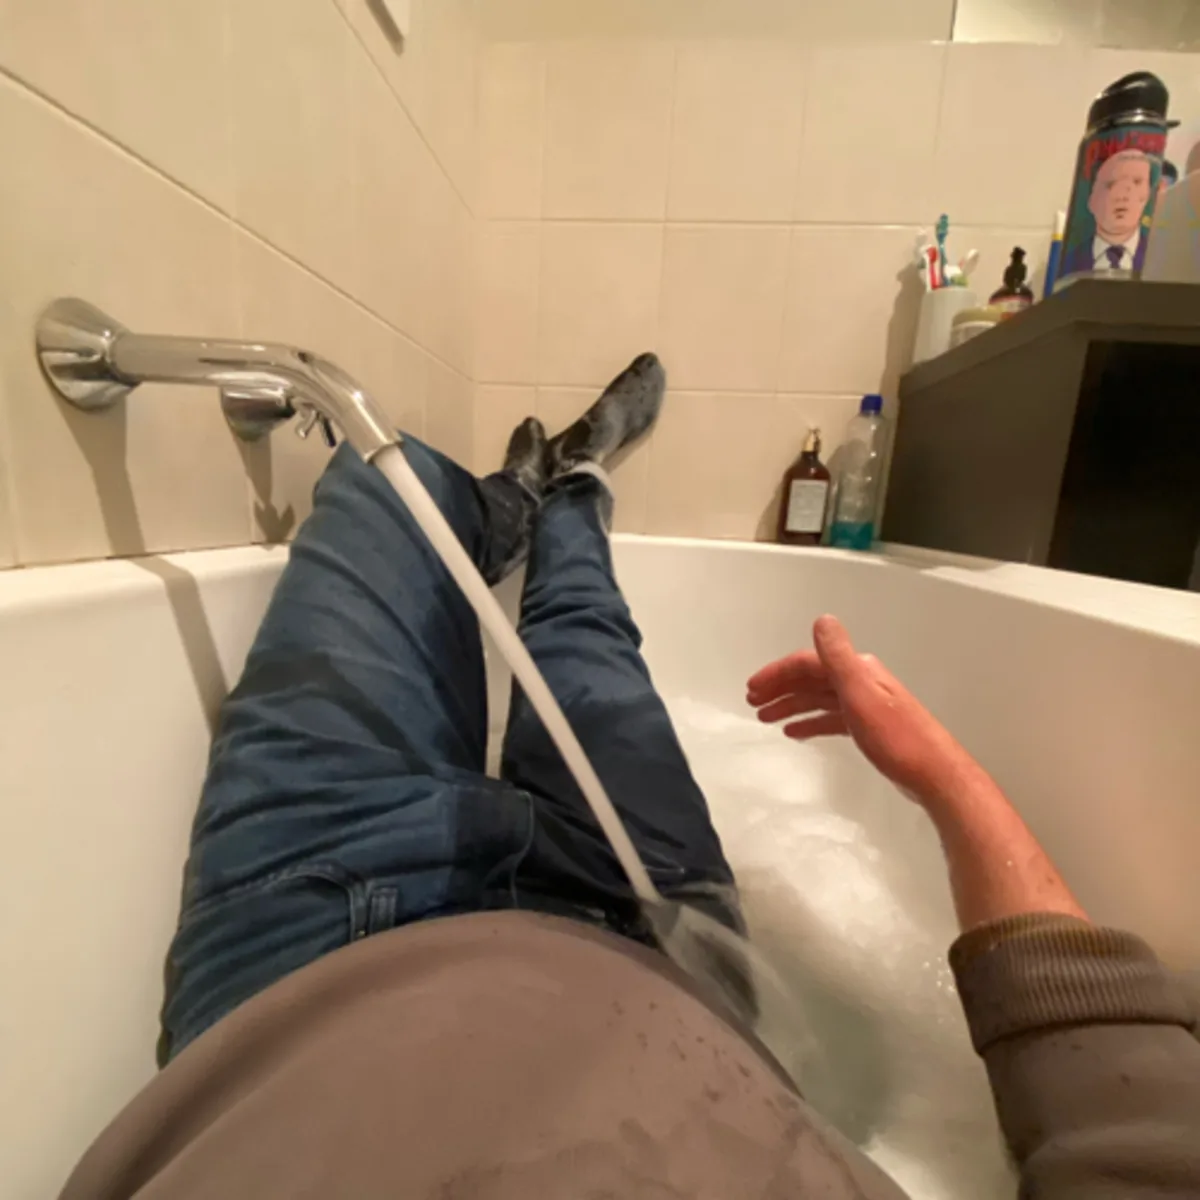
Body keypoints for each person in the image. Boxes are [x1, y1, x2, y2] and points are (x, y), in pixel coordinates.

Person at [61, 355, 1200, 1199]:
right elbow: (1114, 1086)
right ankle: (569, 491)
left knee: (376, 491)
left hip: (303, 971)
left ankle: (520, 496)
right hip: (657, 937)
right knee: (583, 633)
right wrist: (938, 768)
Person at [1061, 148, 1154, 277]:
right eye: (1110, 184)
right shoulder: (1066, 265)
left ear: (1148, 194)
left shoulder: (1164, 263)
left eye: (1136, 182)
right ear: (1091, 199)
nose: (1122, 196)